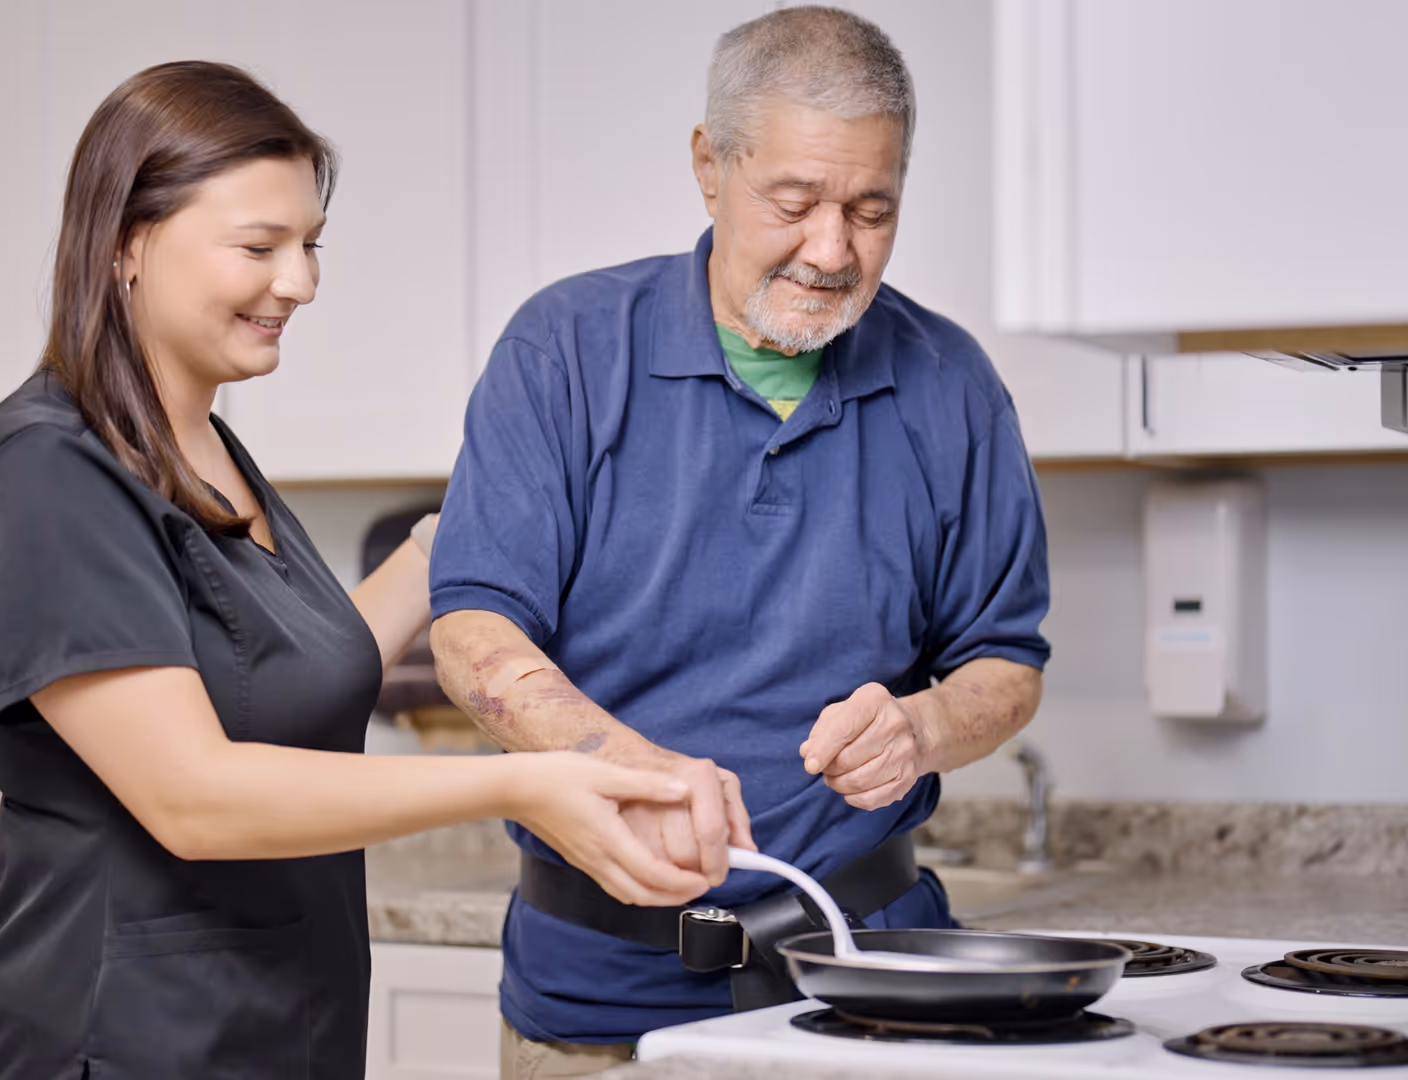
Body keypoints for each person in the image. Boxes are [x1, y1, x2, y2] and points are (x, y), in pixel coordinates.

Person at [0, 61, 711, 1080]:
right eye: (260, 247)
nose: (299, 282)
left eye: (309, 247)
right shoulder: (46, 472)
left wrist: (499, 519)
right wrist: (522, 783)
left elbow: (301, 664)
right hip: (110, 1042)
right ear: (125, 243)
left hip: (266, 1034)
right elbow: (194, 796)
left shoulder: (204, 450)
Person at [428, 7, 1053, 1077]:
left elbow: (1007, 667)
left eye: (872, 209)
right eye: (795, 202)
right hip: (595, 1010)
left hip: (873, 998)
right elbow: (472, 636)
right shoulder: (565, 352)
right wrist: (624, 763)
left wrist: (923, 724)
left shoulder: (952, 386)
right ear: (708, 166)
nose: (833, 249)